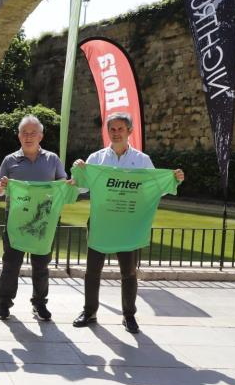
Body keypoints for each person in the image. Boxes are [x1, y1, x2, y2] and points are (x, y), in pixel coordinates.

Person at [72, 112, 185, 333]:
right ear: (107, 131)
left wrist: (173, 179)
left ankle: (129, 315)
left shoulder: (142, 160)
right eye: (112, 129)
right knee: (92, 271)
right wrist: (79, 170)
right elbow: (82, 187)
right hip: (101, 223)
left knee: (129, 272)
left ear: (129, 131)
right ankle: (89, 312)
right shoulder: (96, 159)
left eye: (120, 129)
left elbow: (154, 188)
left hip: (128, 225)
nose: (116, 133)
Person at [0, 115, 70, 322]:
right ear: (19, 136)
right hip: (15, 221)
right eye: (24, 133)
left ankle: (39, 304)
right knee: (11, 265)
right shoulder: (10, 160)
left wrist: (68, 183)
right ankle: (4, 304)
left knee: (41, 266)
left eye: (33, 133)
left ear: (40, 136)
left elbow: (62, 184)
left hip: (43, 222)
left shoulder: (52, 159)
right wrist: (1, 186)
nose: (28, 137)